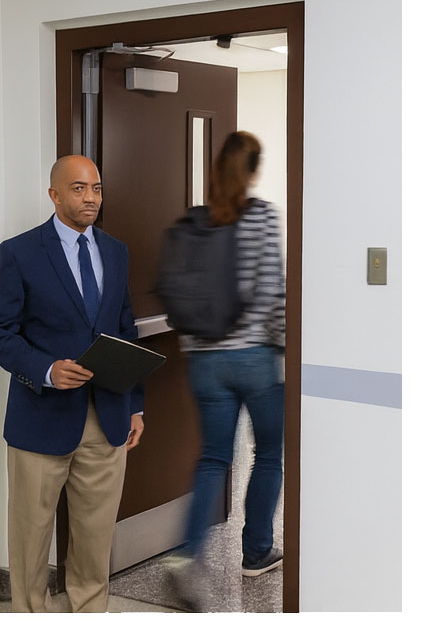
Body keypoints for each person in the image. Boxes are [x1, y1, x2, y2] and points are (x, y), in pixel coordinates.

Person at [0, 154, 143, 613]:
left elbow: (126, 331)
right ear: (54, 194)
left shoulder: (115, 251)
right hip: (41, 418)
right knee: (31, 533)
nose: (91, 197)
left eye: (96, 188)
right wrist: (48, 370)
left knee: (96, 534)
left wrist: (135, 405)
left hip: (108, 417)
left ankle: (89, 612)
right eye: (79, 188)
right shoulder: (18, 253)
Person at [169, 131, 286, 606]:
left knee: (214, 458)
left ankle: (186, 556)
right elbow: (273, 293)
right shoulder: (262, 217)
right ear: (253, 169)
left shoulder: (195, 222)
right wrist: (286, 349)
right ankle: (255, 552)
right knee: (269, 454)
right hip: (255, 358)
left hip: (204, 361)